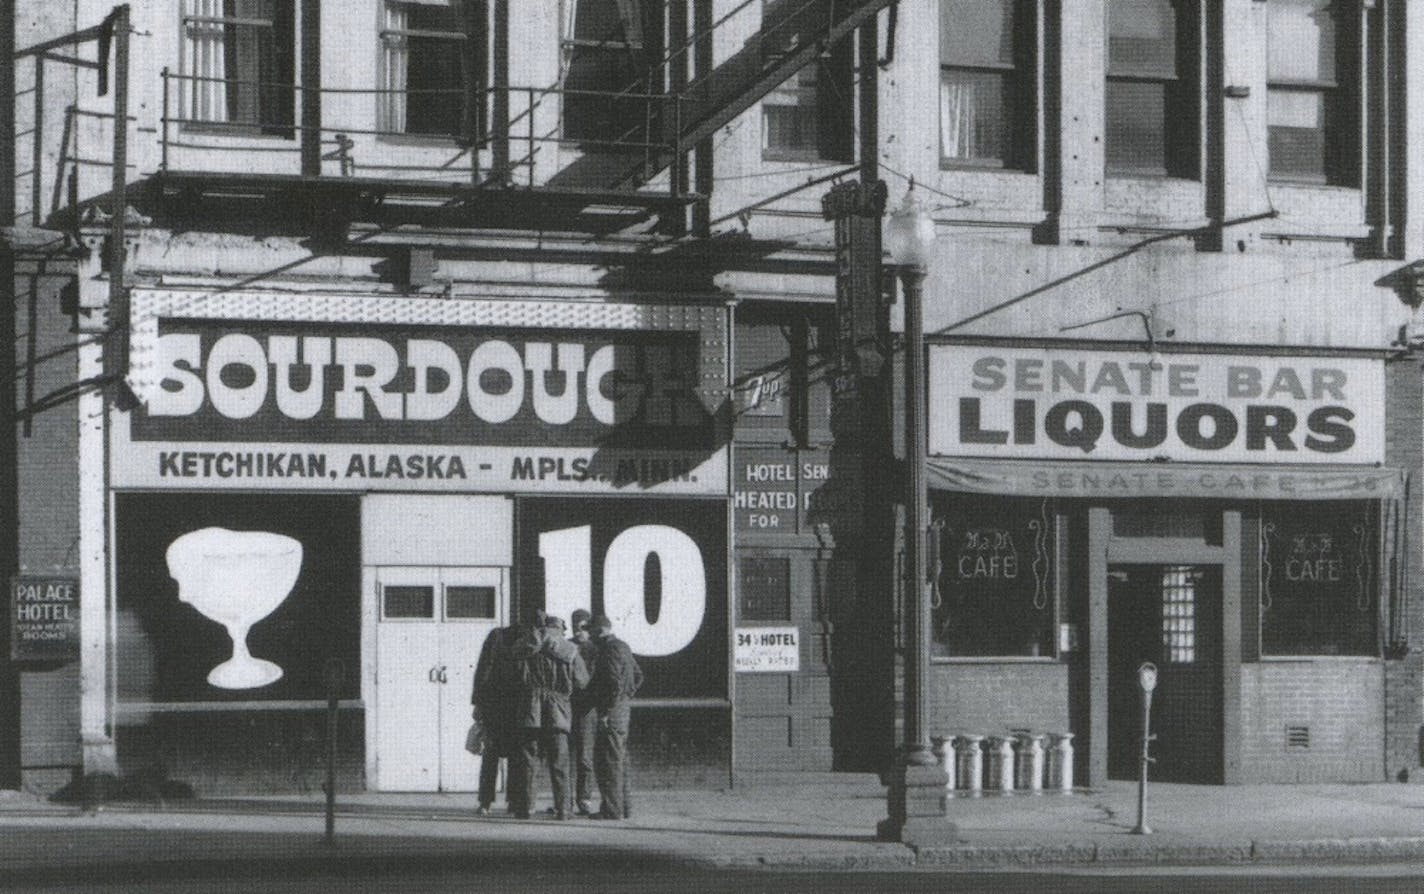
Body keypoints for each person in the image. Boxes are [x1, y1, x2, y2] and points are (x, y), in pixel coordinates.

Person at [509, 613, 589, 820]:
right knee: (560, 762)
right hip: (558, 711)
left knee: (528, 760)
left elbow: (513, 676)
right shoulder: (570, 651)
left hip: (530, 708)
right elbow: (582, 682)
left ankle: (526, 807)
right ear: (560, 630)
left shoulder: (525, 647)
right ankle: (563, 809)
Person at [589, 614, 642, 820]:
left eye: (592, 630)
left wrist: (606, 711)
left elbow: (612, 683)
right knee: (619, 760)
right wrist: (626, 697)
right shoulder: (623, 647)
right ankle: (624, 807)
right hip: (623, 709)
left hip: (611, 712)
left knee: (608, 761)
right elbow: (638, 675)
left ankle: (612, 810)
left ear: (600, 631)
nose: (590, 635)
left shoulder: (608, 650)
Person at [471, 620, 523, 815]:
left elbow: (483, 670)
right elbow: (483, 670)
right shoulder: (529, 640)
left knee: (491, 755)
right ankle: (512, 801)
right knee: (516, 756)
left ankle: (486, 802)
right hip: (515, 706)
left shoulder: (497, 636)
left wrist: (478, 702)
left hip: (495, 704)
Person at [568, 608, 599, 816]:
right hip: (567, 707)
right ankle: (567, 799)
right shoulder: (567, 647)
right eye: (575, 627)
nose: (579, 631)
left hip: (587, 709)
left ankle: (584, 798)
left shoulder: (595, 649)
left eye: (582, 627)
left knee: (585, 757)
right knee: (566, 756)